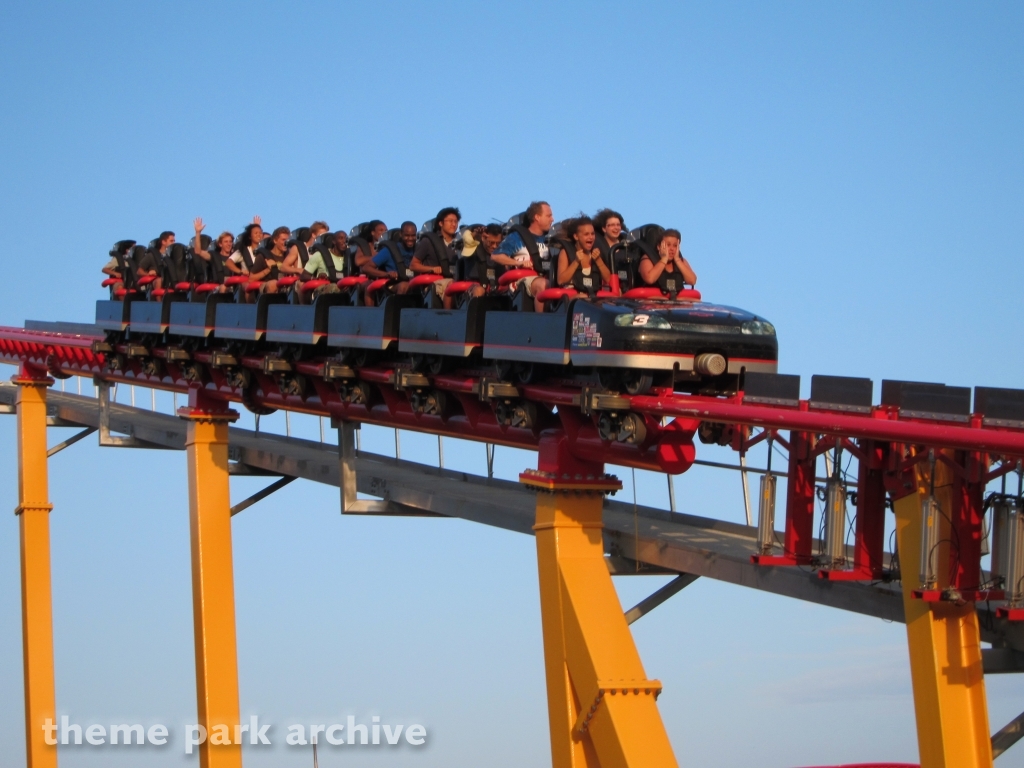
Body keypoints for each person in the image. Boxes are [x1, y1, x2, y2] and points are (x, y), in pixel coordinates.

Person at [490, 200, 553, 311]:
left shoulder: (550, 240)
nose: (552, 219)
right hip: (522, 281)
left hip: (547, 277)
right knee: (543, 284)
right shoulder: (517, 238)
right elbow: (496, 256)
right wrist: (518, 263)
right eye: (548, 216)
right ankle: (542, 322)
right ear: (537, 217)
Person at [410, 207, 461, 309]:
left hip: (456, 279)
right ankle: (447, 316)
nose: (454, 224)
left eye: (456, 221)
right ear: (441, 223)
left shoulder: (460, 242)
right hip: (435, 283)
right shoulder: (428, 242)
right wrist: (431, 269)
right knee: (451, 284)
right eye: (450, 221)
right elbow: (413, 265)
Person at [556, 216, 613, 298]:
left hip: (593, 298)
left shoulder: (596, 253)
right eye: (586, 234)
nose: (591, 237)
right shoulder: (565, 252)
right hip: (571, 299)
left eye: (592, 234)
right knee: (584, 298)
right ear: (576, 236)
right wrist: (576, 262)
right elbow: (561, 281)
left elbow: (608, 279)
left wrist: (598, 260)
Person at [361, 221, 416, 305]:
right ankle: (397, 313)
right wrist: (386, 274)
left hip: (414, 283)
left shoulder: (418, 249)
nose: (410, 239)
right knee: (404, 285)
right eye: (407, 236)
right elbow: (366, 268)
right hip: (392, 284)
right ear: (401, 234)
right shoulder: (389, 251)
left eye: (413, 235)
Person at [638, 228, 697, 296]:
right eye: (668, 245)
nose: (671, 249)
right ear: (659, 247)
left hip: (676, 302)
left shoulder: (681, 261)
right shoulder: (648, 258)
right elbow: (649, 279)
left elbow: (692, 280)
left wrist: (677, 260)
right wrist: (664, 260)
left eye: (675, 246)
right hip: (653, 301)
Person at [228, 222, 277, 300]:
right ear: (250, 236)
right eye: (256, 233)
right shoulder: (244, 250)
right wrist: (240, 271)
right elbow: (229, 263)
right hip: (247, 279)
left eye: (260, 233)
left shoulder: (267, 250)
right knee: (249, 287)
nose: (259, 235)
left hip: (263, 278)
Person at [300, 232, 347, 300]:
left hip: (344, 288)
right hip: (323, 289)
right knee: (335, 288)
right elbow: (303, 276)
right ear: (334, 241)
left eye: (345, 239)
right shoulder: (320, 255)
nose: (344, 241)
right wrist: (316, 278)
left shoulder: (348, 257)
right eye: (340, 238)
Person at [460, 223, 502, 291]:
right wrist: (474, 234)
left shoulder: (503, 252)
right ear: (483, 238)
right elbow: (468, 240)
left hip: (498, 290)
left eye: (498, 243)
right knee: (479, 290)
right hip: (473, 289)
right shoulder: (471, 248)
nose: (494, 246)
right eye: (491, 243)